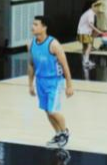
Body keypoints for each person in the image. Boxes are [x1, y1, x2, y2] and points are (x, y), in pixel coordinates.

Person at [28, 16, 74, 148]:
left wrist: (69, 85)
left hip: (54, 82)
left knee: (52, 110)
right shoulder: (31, 44)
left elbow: (65, 65)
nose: (32, 27)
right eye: (33, 24)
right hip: (40, 81)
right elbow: (31, 65)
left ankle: (65, 132)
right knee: (47, 111)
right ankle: (58, 134)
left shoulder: (54, 44)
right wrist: (30, 84)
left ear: (44, 27)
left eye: (36, 24)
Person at [76, 0, 104, 68]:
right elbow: (91, 25)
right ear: (93, 6)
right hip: (84, 33)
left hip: (80, 32)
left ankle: (84, 61)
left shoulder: (88, 12)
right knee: (89, 46)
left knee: (85, 47)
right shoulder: (90, 13)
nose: (98, 9)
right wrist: (99, 31)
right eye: (97, 7)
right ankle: (86, 62)